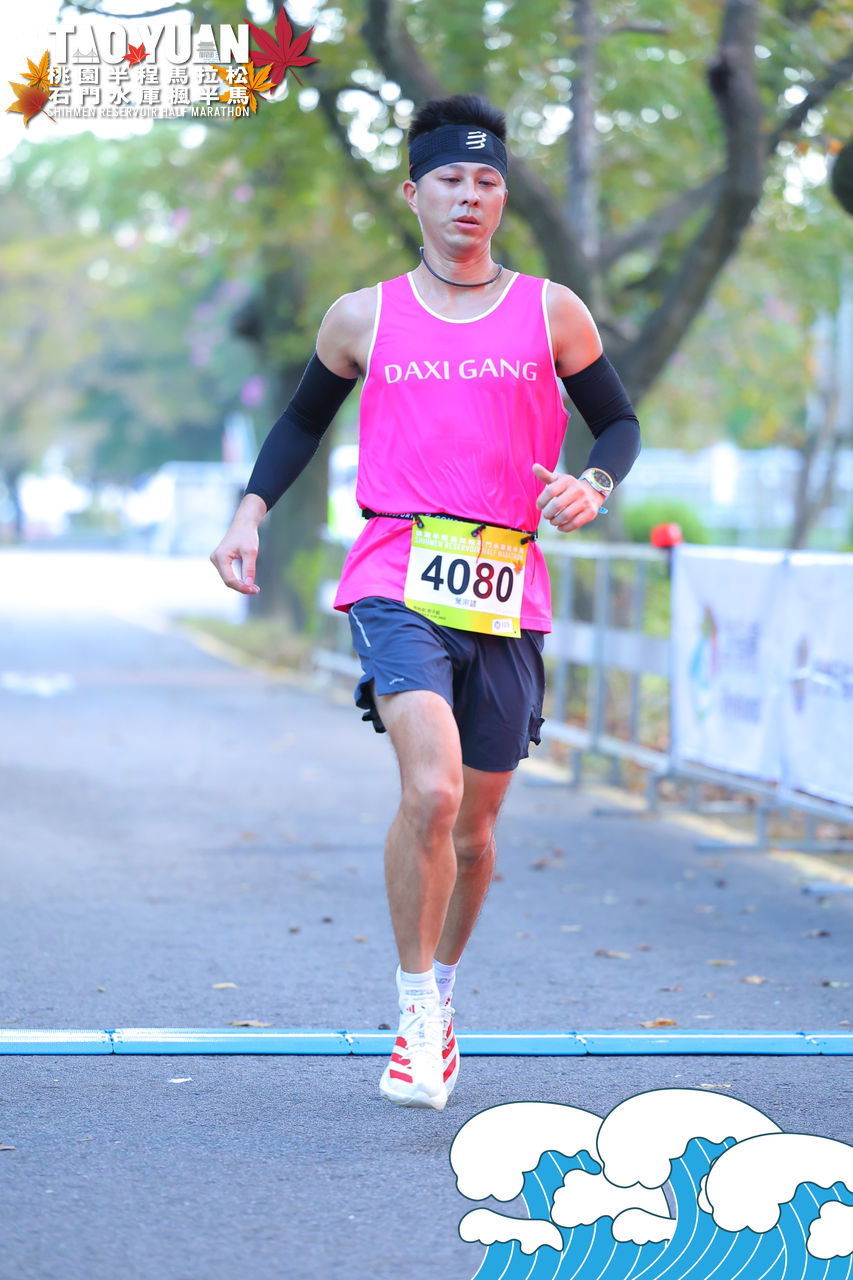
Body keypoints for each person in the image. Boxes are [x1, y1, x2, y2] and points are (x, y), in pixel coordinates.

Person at [210, 94, 640, 1111]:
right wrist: (248, 512)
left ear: (502, 198)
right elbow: (300, 422)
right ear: (414, 193)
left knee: (476, 829)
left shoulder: (551, 310)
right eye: (450, 178)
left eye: (487, 180)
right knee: (434, 791)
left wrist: (594, 482)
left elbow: (616, 422)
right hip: (395, 568)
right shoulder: (361, 316)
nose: (469, 196)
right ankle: (412, 1015)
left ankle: (443, 989)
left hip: (505, 581)